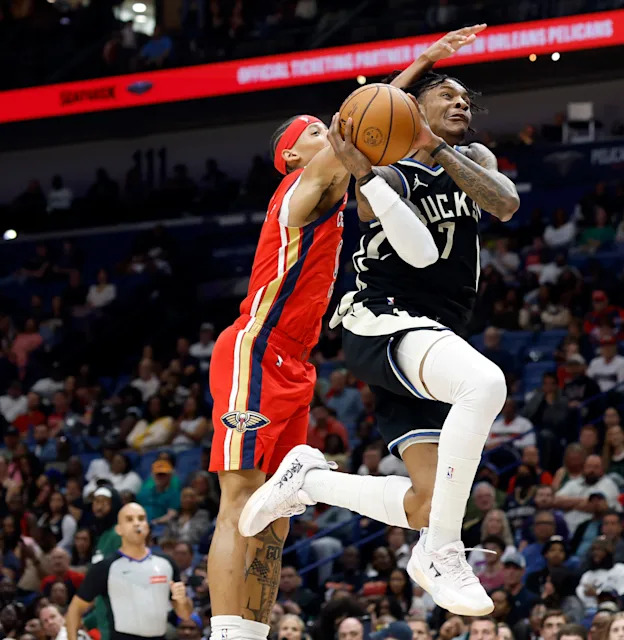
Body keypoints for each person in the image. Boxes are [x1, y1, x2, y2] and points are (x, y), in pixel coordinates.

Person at [197, 29, 484, 639]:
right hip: (256, 344)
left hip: (296, 361)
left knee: (275, 513)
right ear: (294, 157)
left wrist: (422, 67)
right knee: (238, 495)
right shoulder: (301, 186)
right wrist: (422, 63)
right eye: (314, 131)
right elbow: (366, 121)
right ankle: (225, 633)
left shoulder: (331, 187)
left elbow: (369, 126)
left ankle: (252, 630)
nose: (329, 132)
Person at [65, 503, 192, 640]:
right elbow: (74, 610)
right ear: (119, 529)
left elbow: (185, 614)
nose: (137, 523)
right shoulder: (105, 567)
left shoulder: (166, 564)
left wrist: (183, 600)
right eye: (129, 519)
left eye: (141, 518)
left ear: (147, 527)